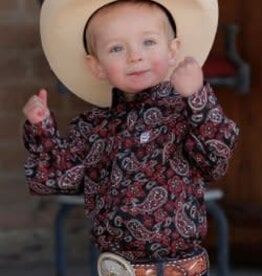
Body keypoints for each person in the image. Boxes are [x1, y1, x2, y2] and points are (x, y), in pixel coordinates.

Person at [22, 0, 239, 275]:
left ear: (173, 51)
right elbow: (57, 179)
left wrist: (197, 97)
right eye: (116, 48)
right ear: (97, 66)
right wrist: (42, 129)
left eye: (148, 42)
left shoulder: (184, 113)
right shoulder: (94, 128)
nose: (135, 56)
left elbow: (215, 160)